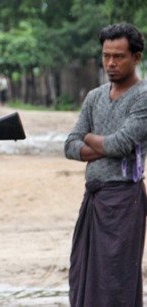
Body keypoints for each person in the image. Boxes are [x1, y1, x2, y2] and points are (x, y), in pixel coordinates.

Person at [64, 23, 147, 307]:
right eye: (106, 55)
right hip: (94, 198)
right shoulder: (94, 97)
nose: (110, 63)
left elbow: (121, 144)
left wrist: (88, 137)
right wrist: (102, 143)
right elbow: (69, 146)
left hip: (124, 201)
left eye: (119, 56)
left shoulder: (143, 96)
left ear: (136, 58)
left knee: (117, 276)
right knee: (83, 273)